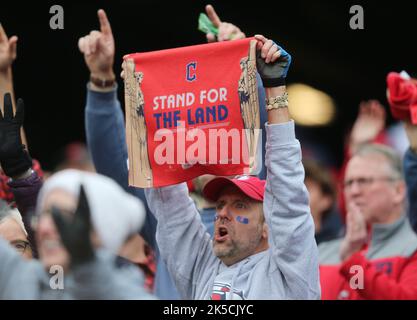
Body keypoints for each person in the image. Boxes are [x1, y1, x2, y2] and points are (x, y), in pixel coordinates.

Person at [80, 6, 258, 299]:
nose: (200, 140)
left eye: (212, 127)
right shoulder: (164, 209)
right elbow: (113, 166)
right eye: (192, 131)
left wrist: (246, 68)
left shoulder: (259, 202)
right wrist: (102, 81)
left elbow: (267, 133)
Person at [144, 34, 320, 299]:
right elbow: (169, 205)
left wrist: (274, 86)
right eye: (220, 205)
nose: (223, 213)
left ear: (267, 227)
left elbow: (288, 192)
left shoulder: (288, 275)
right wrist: (146, 102)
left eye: (240, 205)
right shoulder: (201, 269)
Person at [0, 168, 155, 299]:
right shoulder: (26, 283)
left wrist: (88, 269)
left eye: (63, 217)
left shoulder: (129, 292)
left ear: (102, 232)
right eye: (42, 216)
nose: (44, 228)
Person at [319, 143, 417, 299]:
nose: (354, 191)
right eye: (349, 183)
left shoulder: (412, 249)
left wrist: (353, 262)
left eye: (364, 181)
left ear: (398, 191)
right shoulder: (321, 252)